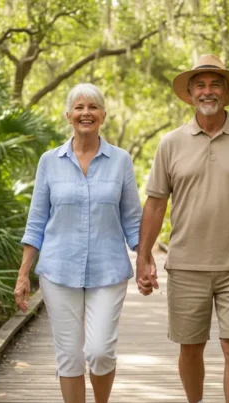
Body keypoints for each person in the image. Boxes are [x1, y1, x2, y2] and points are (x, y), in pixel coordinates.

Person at [135, 55, 229, 403]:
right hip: (187, 263)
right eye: (199, 85)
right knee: (190, 348)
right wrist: (143, 258)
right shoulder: (170, 143)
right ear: (189, 94)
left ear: (227, 91)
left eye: (215, 83)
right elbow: (156, 203)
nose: (207, 91)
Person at [14, 83, 143, 403]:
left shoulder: (121, 160)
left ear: (103, 115)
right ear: (69, 115)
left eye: (93, 107)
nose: (87, 113)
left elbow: (133, 220)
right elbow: (37, 220)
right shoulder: (49, 161)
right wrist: (23, 273)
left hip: (108, 269)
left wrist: (146, 261)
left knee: (100, 351)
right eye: (80, 107)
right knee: (69, 356)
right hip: (58, 269)